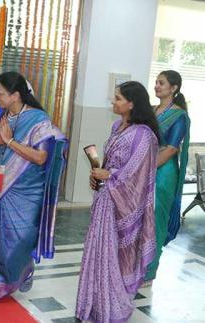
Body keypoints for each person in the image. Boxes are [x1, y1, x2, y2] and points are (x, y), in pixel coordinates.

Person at [0, 71, 67, 304]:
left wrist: (10, 142)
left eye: (1, 93)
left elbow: (41, 157)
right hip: (2, 184)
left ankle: (20, 270)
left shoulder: (39, 119)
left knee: (19, 237)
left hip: (28, 188)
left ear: (16, 95)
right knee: (0, 235)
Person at [75, 81, 160, 322]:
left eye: (118, 98)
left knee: (114, 254)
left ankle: (113, 306)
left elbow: (137, 175)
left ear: (132, 103)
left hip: (122, 204)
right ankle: (94, 303)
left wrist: (108, 175)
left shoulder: (144, 135)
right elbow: (112, 163)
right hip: (105, 200)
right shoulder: (116, 127)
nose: (113, 101)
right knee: (99, 251)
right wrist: (98, 177)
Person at [145, 70, 190, 283]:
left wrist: (146, 168)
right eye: (155, 82)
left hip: (163, 172)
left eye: (161, 83)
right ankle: (136, 263)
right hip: (144, 168)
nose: (156, 86)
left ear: (174, 88)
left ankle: (150, 269)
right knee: (141, 217)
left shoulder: (179, 115)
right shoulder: (152, 111)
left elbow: (171, 149)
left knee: (156, 218)